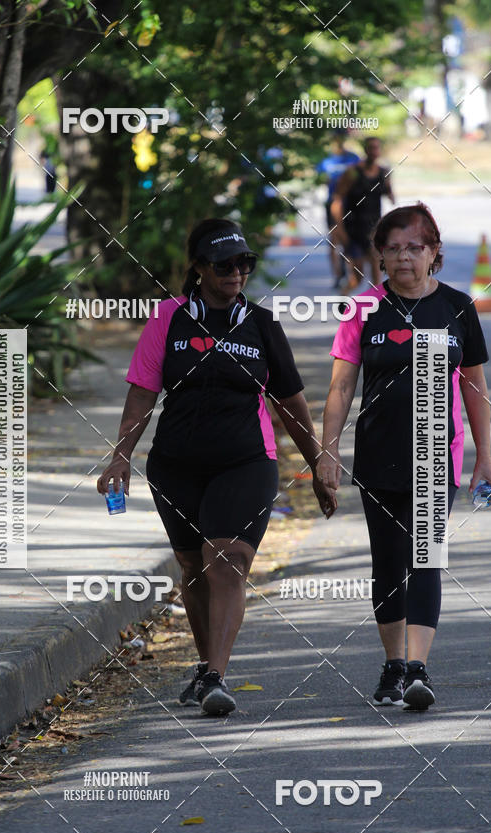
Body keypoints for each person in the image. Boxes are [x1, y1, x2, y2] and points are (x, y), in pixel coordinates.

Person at [97, 218, 328, 716]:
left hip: (246, 460)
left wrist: (319, 466)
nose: (236, 273)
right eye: (224, 264)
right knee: (192, 567)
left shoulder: (263, 326)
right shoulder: (169, 318)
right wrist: (121, 457)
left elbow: (290, 404)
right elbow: (142, 391)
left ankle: (216, 676)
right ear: (199, 268)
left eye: (244, 263)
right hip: (176, 464)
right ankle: (207, 669)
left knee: (226, 560)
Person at [316, 203, 491, 711]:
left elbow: (475, 389)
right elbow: (340, 387)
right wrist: (326, 453)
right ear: (379, 256)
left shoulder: (458, 308)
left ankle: (417, 668)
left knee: (426, 558)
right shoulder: (363, 310)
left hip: (436, 453)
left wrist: (484, 458)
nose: (403, 258)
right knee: (388, 562)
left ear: (433, 252)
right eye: (392, 249)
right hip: (377, 453)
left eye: (414, 247)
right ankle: (393, 664)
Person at [331, 136, 395, 293]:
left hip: (374, 231)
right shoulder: (353, 173)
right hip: (353, 230)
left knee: (377, 278)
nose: (374, 151)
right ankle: (344, 305)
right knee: (357, 279)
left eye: (377, 148)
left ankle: (375, 313)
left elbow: (391, 196)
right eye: (371, 148)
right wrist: (339, 230)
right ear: (365, 150)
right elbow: (337, 201)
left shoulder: (383, 173)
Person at [316, 134, 359, 287]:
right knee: (333, 240)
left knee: (349, 239)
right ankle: (337, 274)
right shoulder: (326, 160)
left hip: (350, 204)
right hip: (332, 203)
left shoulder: (353, 158)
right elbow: (319, 178)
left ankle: (351, 273)